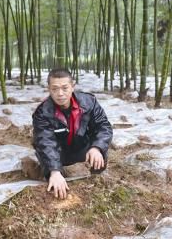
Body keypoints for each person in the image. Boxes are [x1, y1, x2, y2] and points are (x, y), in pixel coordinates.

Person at [32, 68, 113, 199]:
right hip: (59, 152)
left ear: (72, 86)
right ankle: (53, 172)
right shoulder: (42, 112)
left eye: (65, 88)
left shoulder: (89, 102)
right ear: (49, 89)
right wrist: (54, 171)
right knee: (49, 164)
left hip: (81, 147)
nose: (60, 94)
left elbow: (103, 126)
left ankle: (95, 182)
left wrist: (96, 147)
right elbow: (45, 142)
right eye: (55, 89)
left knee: (100, 152)